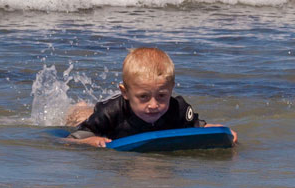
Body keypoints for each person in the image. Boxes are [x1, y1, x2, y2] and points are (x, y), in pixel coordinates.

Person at [62, 47, 236, 147]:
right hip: (102, 121)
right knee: (79, 117)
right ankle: (78, 107)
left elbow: (196, 126)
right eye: (144, 97)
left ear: (171, 88)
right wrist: (91, 141)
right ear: (125, 93)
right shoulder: (110, 112)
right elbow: (70, 139)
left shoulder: (178, 108)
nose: (154, 105)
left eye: (161, 96)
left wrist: (219, 132)